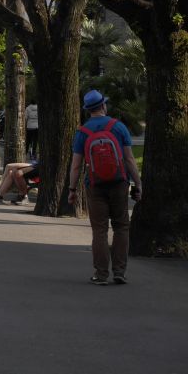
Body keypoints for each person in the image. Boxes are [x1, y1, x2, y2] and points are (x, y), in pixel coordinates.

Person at [67, 89, 143, 286]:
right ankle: (119, 271)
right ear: (103, 106)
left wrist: (72, 190)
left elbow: (76, 165)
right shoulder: (118, 127)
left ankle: (101, 274)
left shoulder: (83, 132)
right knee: (121, 226)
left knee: (99, 229)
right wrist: (138, 183)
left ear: (88, 110)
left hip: (95, 185)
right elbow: (129, 159)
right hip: (119, 183)